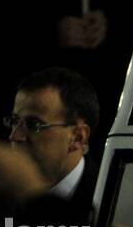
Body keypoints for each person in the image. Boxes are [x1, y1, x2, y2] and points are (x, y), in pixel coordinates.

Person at [5, 67, 100, 209]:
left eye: (33, 125)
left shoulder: (115, 202)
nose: (14, 136)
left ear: (77, 138)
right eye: (14, 121)